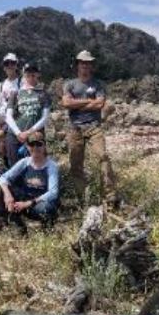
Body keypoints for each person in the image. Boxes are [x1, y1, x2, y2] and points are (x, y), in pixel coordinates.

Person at [58, 50, 113, 204]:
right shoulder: (69, 84)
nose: (85, 66)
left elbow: (100, 103)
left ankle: (109, 195)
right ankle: (83, 198)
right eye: (83, 63)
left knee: (103, 156)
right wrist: (89, 102)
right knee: (75, 164)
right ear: (78, 65)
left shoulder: (98, 84)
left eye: (88, 63)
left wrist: (76, 104)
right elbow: (66, 103)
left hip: (94, 126)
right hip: (75, 127)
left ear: (92, 66)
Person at [0, 131, 63, 232]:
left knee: (47, 207)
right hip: (23, 201)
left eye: (39, 144)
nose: (35, 148)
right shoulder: (24, 162)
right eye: (32, 144)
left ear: (44, 146)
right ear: (27, 146)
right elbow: (3, 178)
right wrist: (8, 195)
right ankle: (17, 225)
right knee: (2, 190)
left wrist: (29, 203)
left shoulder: (51, 166)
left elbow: (53, 193)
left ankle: (46, 227)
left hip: (39, 204)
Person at [3, 62, 53, 163]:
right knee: (14, 164)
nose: (31, 75)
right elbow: (8, 116)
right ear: (23, 74)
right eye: (28, 72)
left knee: (36, 164)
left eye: (33, 72)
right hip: (15, 133)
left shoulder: (43, 93)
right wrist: (18, 133)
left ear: (38, 74)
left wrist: (28, 132)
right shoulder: (16, 93)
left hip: (35, 133)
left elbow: (45, 117)